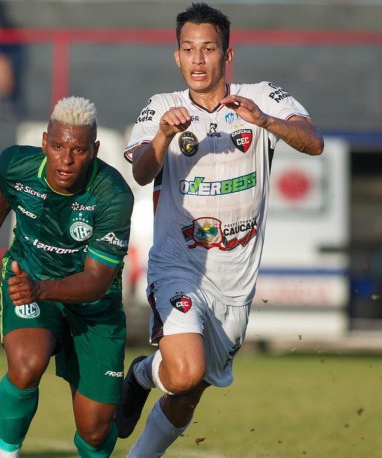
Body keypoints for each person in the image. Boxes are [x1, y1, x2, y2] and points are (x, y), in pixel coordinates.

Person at [116, 3, 324, 456]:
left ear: (227, 55)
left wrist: (266, 122)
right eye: (188, 50)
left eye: (208, 49)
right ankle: (144, 376)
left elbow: (314, 141)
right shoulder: (161, 107)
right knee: (186, 372)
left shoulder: (262, 96)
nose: (197, 60)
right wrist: (162, 138)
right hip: (179, 265)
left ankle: (142, 374)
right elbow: (142, 173)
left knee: (188, 392)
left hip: (236, 280)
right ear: (176, 56)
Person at [0, 96, 135, 458]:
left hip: (93, 305)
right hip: (29, 276)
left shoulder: (113, 194)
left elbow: (97, 280)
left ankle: (131, 387)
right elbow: (1, 187)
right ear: (45, 143)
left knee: (94, 431)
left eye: (78, 149)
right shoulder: (18, 164)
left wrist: (40, 289)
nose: (67, 159)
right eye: (58, 147)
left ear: (95, 150)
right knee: (27, 366)